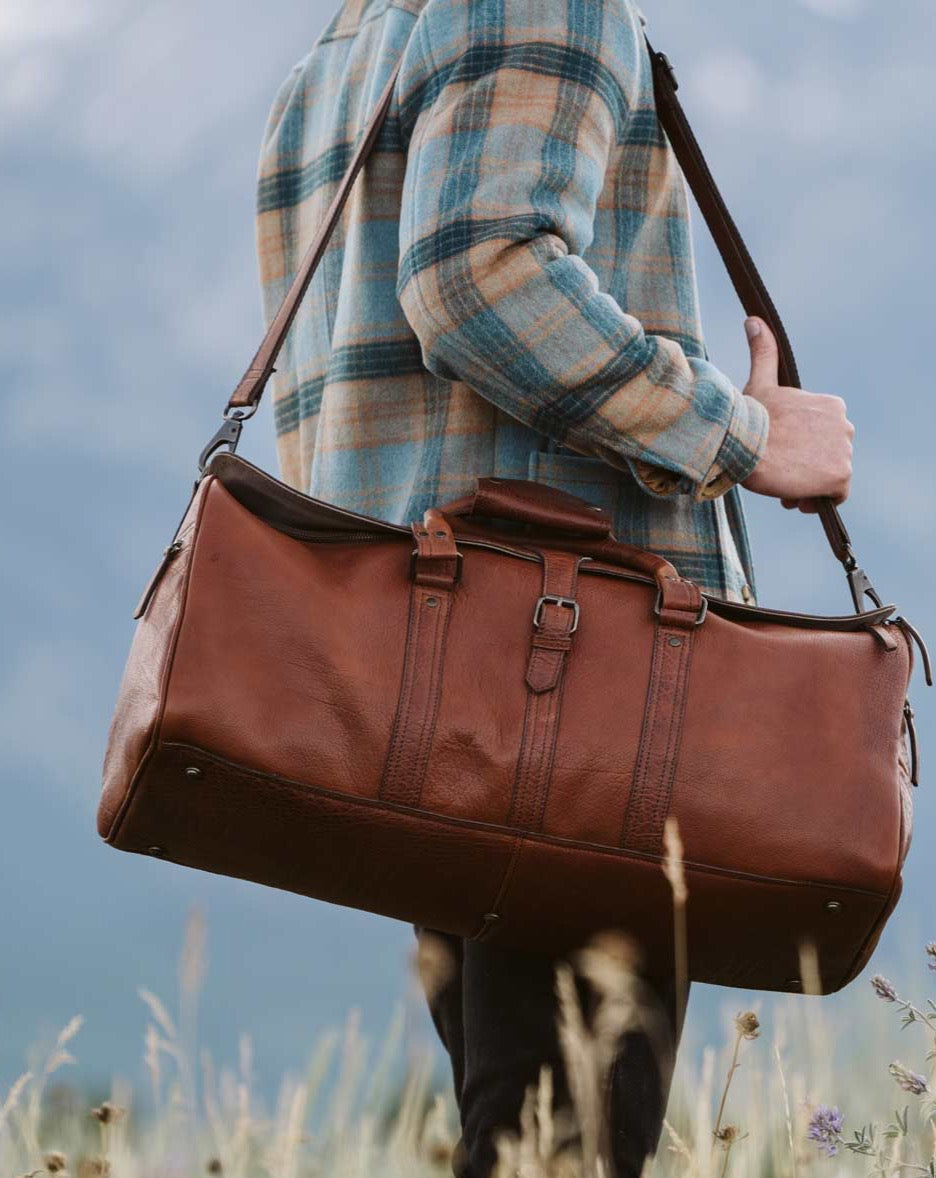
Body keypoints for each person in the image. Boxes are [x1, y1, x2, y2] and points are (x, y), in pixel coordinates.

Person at [254, 0, 853, 1173]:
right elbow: (480, 278)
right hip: (567, 676)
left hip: (424, 668)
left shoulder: (349, 42)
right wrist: (738, 434)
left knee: (529, 1128)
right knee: (569, 1137)